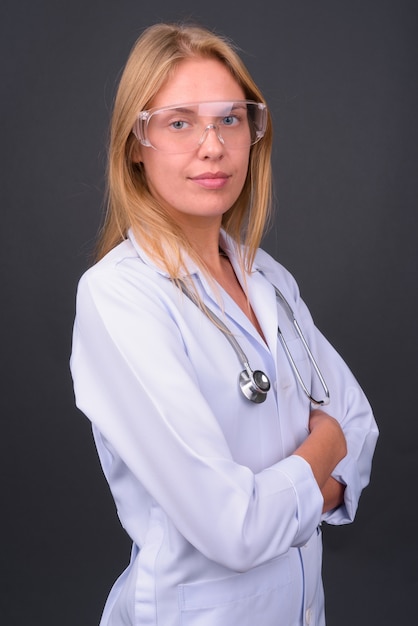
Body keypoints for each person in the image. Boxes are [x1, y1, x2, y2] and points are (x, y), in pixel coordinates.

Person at [70, 21, 378, 626]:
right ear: (136, 142)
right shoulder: (119, 296)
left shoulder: (269, 279)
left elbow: (361, 433)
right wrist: (324, 447)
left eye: (230, 119)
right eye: (179, 121)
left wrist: (306, 473)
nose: (212, 146)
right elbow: (233, 527)